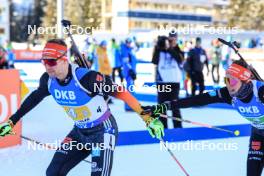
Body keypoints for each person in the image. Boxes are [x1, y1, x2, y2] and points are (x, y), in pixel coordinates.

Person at [0, 39, 164, 176]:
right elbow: (34, 98)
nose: (47, 66)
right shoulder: (48, 81)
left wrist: (147, 118)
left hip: (103, 131)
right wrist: (12, 121)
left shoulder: (87, 78)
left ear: (64, 59)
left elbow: (121, 93)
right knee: (53, 172)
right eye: (44, 62)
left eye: (51, 61)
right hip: (79, 132)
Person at [143, 60, 264, 176]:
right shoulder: (228, 94)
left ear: (244, 80)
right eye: (226, 80)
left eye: (232, 81)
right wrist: (163, 107)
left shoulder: (260, 91)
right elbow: (196, 100)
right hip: (258, 134)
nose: (228, 85)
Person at [152, 35, 183, 128]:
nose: (170, 42)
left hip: (174, 81)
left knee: (175, 106)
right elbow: (154, 61)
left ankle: (178, 128)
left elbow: (180, 59)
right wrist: (158, 47)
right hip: (162, 82)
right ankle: (163, 128)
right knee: (161, 107)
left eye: (173, 40)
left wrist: (169, 48)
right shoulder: (159, 50)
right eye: (169, 40)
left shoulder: (177, 49)